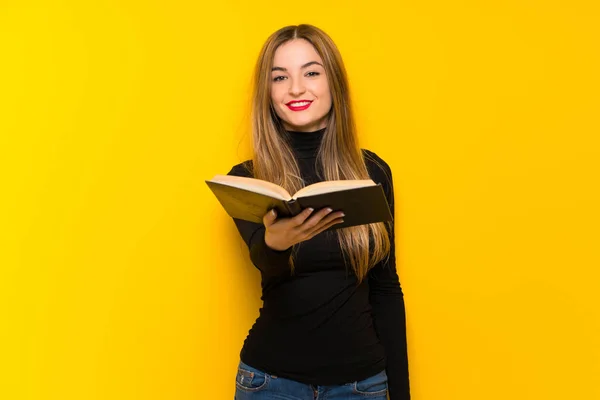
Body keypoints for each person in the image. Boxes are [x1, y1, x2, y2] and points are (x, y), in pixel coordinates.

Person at [227, 24, 410, 400]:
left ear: (334, 83)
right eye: (280, 77)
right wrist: (274, 245)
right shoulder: (248, 179)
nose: (296, 88)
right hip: (270, 383)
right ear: (268, 93)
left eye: (311, 72)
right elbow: (267, 265)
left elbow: (386, 288)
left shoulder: (372, 172)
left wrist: (403, 395)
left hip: (362, 385)